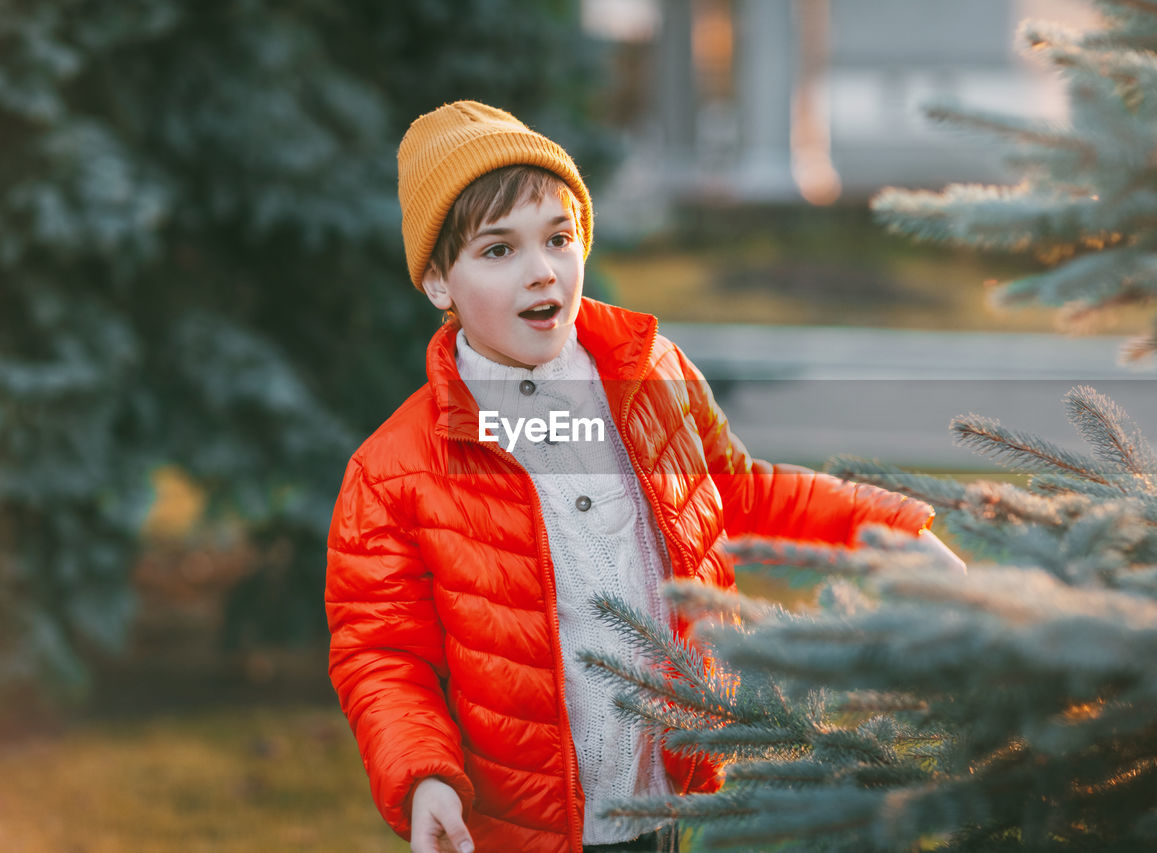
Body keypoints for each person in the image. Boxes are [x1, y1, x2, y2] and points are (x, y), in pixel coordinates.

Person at [325, 100, 963, 853]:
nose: (541, 270)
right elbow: (383, 653)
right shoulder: (394, 471)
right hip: (519, 825)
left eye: (559, 238)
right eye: (498, 251)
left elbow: (738, 492)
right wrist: (424, 773)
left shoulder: (648, 378)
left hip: (659, 795)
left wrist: (892, 534)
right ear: (439, 282)